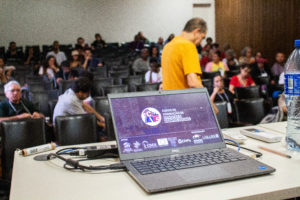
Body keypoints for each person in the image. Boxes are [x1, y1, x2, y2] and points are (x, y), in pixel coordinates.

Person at [161, 18, 207, 90]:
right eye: (202, 38)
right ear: (197, 31)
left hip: (168, 99)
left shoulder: (167, 46)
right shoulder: (188, 46)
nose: (201, 43)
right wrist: (208, 100)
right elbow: (193, 82)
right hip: (185, 99)